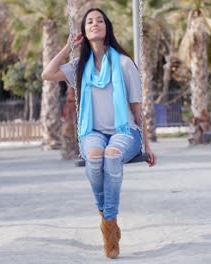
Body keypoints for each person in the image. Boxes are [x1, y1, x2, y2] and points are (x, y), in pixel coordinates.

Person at [41, 8, 156, 259]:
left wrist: (147, 146)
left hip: (125, 131)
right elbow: (47, 73)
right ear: (83, 31)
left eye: (100, 20)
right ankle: (109, 222)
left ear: (107, 28)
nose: (95, 24)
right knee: (95, 156)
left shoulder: (124, 64)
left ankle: (108, 224)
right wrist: (67, 45)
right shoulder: (79, 67)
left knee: (111, 155)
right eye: (90, 22)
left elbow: (138, 109)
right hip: (92, 131)